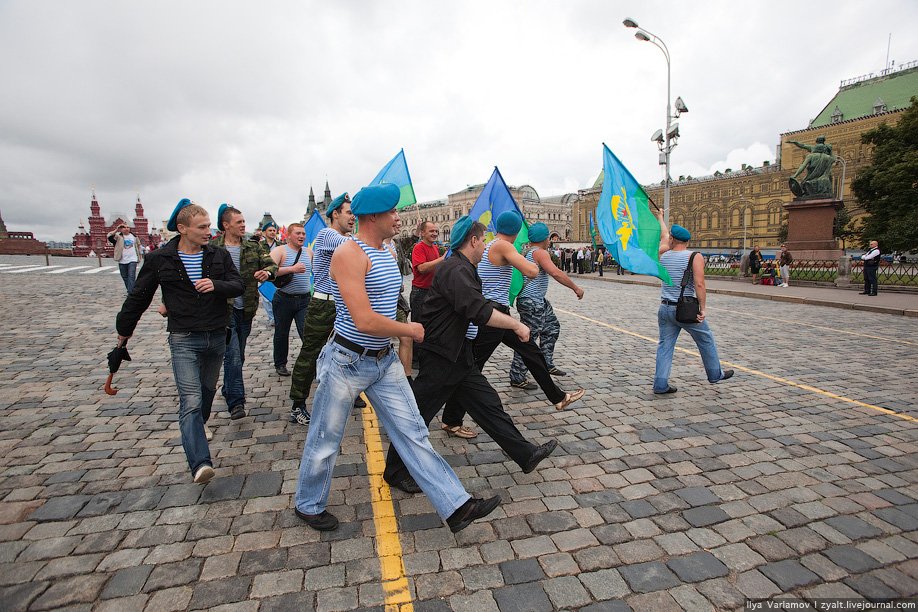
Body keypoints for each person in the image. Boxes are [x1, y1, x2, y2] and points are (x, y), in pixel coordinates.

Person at [293, 184, 501, 533]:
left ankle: (457, 506)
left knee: (414, 433)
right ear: (372, 216)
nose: (398, 217)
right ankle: (308, 504)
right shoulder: (349, 254)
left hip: (382, 360)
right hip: (347, 360)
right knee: (326, 439)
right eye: (392, 211)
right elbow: (363, 319)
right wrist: (411, 331)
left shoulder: (385, 251)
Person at [384, 216, 559, 494]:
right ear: (474, 240)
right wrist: (515, 324)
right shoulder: (456, 270)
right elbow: (478, 310)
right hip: (442, 356)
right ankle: (395, 471)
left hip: (458, 354)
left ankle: (525, 454)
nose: (487, 246)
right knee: (418, 415)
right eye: (484, 240)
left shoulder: (464, 267)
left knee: (488, 404)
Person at [115, 199, 243, 484]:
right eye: (202, 227)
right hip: (184, 338)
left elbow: (238, 284)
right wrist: (124, 332)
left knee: (207, 393)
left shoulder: (218, 256)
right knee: (191, 399)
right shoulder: (161, 259)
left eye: (209, 225)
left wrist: (216, 286)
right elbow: (139, 297)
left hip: (216, 335)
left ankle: (198, 427)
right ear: (183, 229)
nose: (208, 231)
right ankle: (200, 463)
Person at [441, 211, 585, 438]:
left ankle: (558, 397)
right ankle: (450, 419)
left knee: (530, 350)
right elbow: (532, 271)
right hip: (491, 316)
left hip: (497, 313)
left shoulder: (490, 245)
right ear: (517, 231)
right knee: (471, 370)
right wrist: (523, 260)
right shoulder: (503, 247)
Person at [288, 193, 358, 425]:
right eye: (349, 213)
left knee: (348, 351)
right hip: (324, 305)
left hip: (342, 304)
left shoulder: (345, 237)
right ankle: (297, 404)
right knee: (311, 354)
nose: (353, 218)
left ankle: (349, 393)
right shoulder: (328, 234)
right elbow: (357, 248)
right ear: (335, 214)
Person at [653, 215, 734, 395]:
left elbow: (664, 235)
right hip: (685, 310)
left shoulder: (663, 255)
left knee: (665, 346)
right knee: (706, 339)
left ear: (673, 239)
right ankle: (715, 374)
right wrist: (703, 308)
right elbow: (699, 284)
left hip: (664, 308)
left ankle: (660, 384)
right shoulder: (694, 257)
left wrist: (660, 218)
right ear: (688, 241)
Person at [212, 204, 277, 420]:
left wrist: (267, 272)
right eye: (238, 222)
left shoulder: (253, 247)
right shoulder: (213, 249)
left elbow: (271, 265)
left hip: (246, 308)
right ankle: (236, 403)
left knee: (238, 354)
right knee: (232, 357)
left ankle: (229, 388)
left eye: (243, 222)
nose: (243, 225)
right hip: (223, 310)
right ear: (226, 225)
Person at [510, 223, 584, 388]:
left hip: (537, 301)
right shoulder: (540, 253)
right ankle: (517, 376)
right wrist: (576, 288)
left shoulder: (529, 251)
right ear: (545, 238)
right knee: (527, 338)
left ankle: (546, 363)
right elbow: (555, 273)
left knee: (552, 328)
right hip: (531, 302)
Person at [271, 223, 311, 377]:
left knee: (307, 333)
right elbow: (269, 271)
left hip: (304, 300)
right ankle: (280, 364)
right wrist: (291, 269)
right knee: (282, 333)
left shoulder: (308, 252)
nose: (301, 236)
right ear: (288, 235)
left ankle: (311, 365)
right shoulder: (279, 251)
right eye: (298, 233)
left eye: (303, 233)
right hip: (284, 299)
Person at [410, 221, 445, 321]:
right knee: (418, 323)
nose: (435, 233)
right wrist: (442, 259)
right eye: (431, 231)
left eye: (436, 231)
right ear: (422, 233)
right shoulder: (418, 247)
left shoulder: (435, 247)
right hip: (420, 292)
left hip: (432, 290)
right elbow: (422, 268)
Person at [259, 221, 282, 326]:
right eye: (270, 230)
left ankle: (277, 316)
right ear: (264, 233)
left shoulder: (280, 245)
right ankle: (271, 317)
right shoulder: (259, 245)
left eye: (274, 230)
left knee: (276, 296)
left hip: (278, 273)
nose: (272, 232)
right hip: (264, 273)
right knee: (266, 297)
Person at [108, 224, 143, 293]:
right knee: (124, 276)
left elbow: (138, 246)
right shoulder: (118, 236)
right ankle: (130, 290)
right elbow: (109, 236)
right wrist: (116, 229)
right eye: (124, 227)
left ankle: (131, 293)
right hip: (122, 259)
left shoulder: (134, 236)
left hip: (133, 259)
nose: (126, 228)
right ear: (121, 229)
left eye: (127, 227)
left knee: (131, 276)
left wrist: (140, 255)